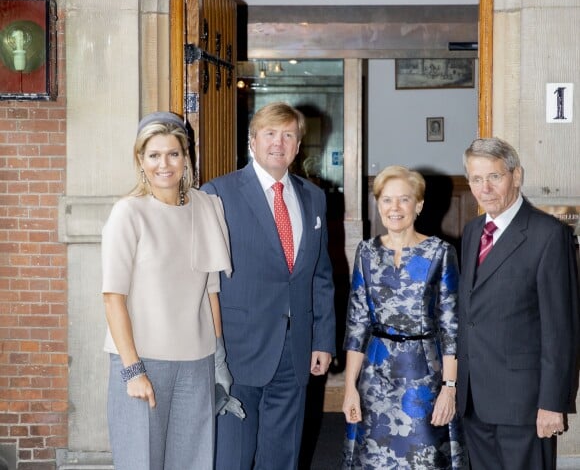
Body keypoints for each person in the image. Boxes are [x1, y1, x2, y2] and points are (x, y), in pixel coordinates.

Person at [101, 111, 241, 470]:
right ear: (140, 161)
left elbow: (212, 290)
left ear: (186, 157)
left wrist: (219, 358)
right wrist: (133, 370)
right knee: (140, 462)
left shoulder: (208, 207)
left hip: (197, 361)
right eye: (154, 155)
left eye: (173, 153)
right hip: (142, 358)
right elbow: (113, 297)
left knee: (194, 462)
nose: (164, 164)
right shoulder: (127, 213)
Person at [201, 101, 336, 470]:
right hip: (238, 348)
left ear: (297, 146)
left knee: (282, 456)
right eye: (271, 133)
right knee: (233, 457)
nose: (279, 142)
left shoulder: (314, 198)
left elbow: (320, 276)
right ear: (252, 141)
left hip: (296, 350)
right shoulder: (218, 193)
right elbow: (204, 278)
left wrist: (323, 339)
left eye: (289, 135)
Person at [458, 137, 579, 470]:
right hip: (474, 400)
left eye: (494, 177)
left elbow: (561, 328)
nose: (485, 187)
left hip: (525, 404)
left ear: (516, 176)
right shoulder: (471, 232)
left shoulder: (549, 235)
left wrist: (553, 403)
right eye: (476, 178)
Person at [342, 165, 467, 469]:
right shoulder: (366, 252)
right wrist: (349, 388)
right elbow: (357, 323)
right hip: (374, 376)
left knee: (424, 459)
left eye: (404, 199)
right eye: (387, 200)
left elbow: (452, 328)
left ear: (419, 205)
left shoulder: (440, 252)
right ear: (378, 203)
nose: (394, 208)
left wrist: (449, 389)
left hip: (423, 377)